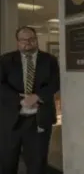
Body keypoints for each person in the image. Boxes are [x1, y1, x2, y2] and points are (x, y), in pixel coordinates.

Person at [0, 26, 60, 174]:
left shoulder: (49, 60)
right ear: (18, 42)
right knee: (8, 162)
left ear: (36, 39)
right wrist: (19, 100)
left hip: (39, 120)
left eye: (32, 39)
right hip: (11, 120)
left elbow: (55, 82)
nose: (28, 43)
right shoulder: (5, 60)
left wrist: (37, 96)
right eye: (24, 40)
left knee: (37, 164)